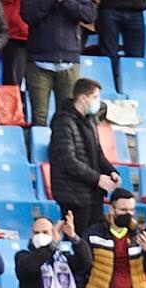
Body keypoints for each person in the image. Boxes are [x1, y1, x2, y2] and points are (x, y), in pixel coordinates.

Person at [46, 76, 116, 235]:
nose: (98, 102)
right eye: (95, 97)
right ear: (83, 98)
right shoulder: (63, 122)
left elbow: (97, 153)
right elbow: (67, 160)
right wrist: (97, 178)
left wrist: (111, 171)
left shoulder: (90, 120)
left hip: (91, 194)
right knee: (78, 241)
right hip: (73, 195)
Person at [22, 0, 97, 128]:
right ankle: (38, 147)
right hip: (39, 61)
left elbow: (89, 15)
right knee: (39, 118)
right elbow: (28, 16)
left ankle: (64, 147)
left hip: (69, 61)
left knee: (67, 117)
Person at [15, 214, 91, 288]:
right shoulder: (23, 256)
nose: (40, 236)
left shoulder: (63, 259)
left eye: (45, 232)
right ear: (31, 235)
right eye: (36, 232)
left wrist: (73, 237)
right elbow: (30, 267)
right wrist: (51, 246)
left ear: (53, 234)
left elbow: (85, 262)